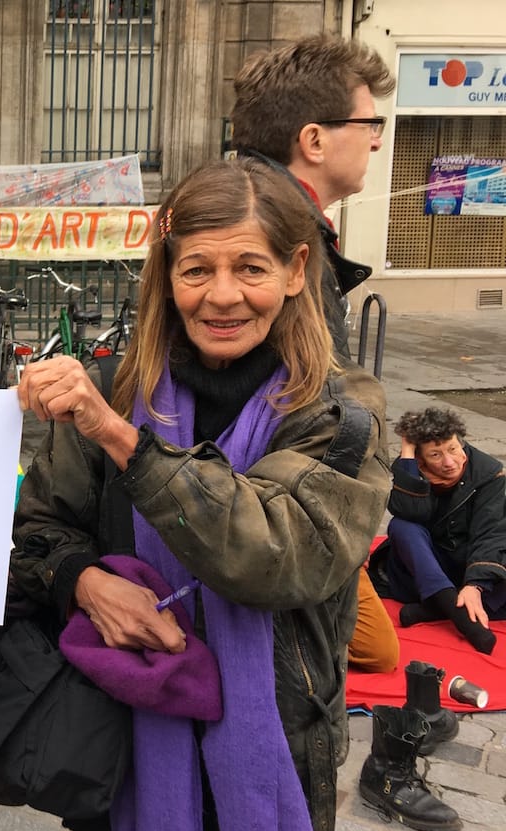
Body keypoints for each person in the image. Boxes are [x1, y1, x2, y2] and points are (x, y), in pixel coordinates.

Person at [10, 157, 390, 831]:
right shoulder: (119, 389)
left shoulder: (341, 410)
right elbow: (38, 529)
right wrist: (84, 582)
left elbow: (279, 553)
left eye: (250, 268)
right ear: (168, 276)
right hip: (123, 729)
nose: (222, 296)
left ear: (295, 270)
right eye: (197, 271)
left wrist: (126, 444)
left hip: (279, 735)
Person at [231, 32, 399, 676]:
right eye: (369, 122)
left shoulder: (267, 215)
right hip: (277, 522)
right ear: (315, 140)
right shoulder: (276, 233)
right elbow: (300, 398)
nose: (378, 138)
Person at [369, 407, 506, 654]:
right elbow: (409, 512)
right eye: (435, 454)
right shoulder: (411, 469)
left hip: (469, 567)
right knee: (402, 527)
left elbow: (491, 532)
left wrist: (476, 584)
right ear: (421, 460)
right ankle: (456, 612)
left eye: (453, 448)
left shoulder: (489, 473)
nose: (449, 462)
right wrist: (408, 454)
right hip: (424, 569)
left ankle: (438, 608)